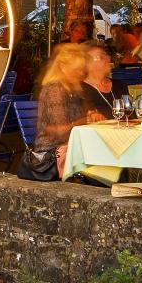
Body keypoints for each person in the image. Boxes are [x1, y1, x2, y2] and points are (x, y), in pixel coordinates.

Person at [27, 43, 109, 180]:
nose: (80, 73)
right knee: (107, 158)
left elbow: (84, 117)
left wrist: (92, 116)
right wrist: (85, 121)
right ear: (63, 67)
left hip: (74, 146)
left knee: (110, 156)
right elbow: (60, 132)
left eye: (81, 69)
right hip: (52, 152)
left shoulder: (74, 89)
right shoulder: (54, 89)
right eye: (76, 69)